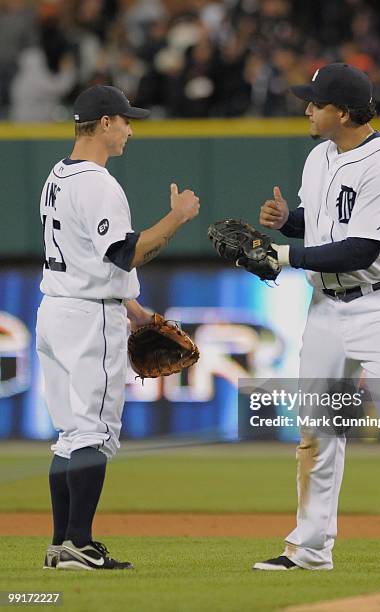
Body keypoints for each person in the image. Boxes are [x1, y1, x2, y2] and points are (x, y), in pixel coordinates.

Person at [252, 63, 380, 574]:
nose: (307, 109)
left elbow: (361, 249)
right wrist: (289, 222)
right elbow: (325, 226)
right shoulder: (319, 157)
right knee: (317, 429)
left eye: (315, 103)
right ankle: (311, 548)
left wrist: (284, 256)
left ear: (343, 113)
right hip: (325, 308)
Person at [36, 85, 200, 570]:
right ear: (104, 123)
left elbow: (92, 261)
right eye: (126, 120)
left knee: (70, 432)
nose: (130, 129)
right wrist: (177, 217)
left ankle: (62, 543)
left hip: (57, 310)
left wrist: (138, 312)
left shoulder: (57, 175)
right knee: (95, 432)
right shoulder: (98, 183)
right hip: (89, 318)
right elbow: (125, 254)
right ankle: (78, 543)